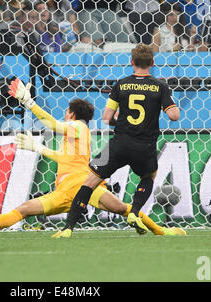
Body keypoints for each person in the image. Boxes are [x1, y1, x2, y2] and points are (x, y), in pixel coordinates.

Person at [0, 79, 186, 237]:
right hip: (65, 190)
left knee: (23, 210)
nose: (65, 116)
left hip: (80, 184)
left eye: (67, 112)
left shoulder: (77, 126)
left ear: (72, 114)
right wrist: (39, 149)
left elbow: (53, 125)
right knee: (124, 209)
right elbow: (66, 159)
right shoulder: (78, 133)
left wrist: (28, 103)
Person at [53, 44, 180, 238]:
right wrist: (163, 104)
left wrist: (121, 118)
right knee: (148, 177)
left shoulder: (121, 84)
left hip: (118, 143)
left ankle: (68, 228)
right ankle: (135, 213)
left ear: (131, 62)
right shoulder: (160, 86)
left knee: (89, 182)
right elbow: (174, 116)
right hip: (144, 146)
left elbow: (106, 118)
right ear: (152, 63)